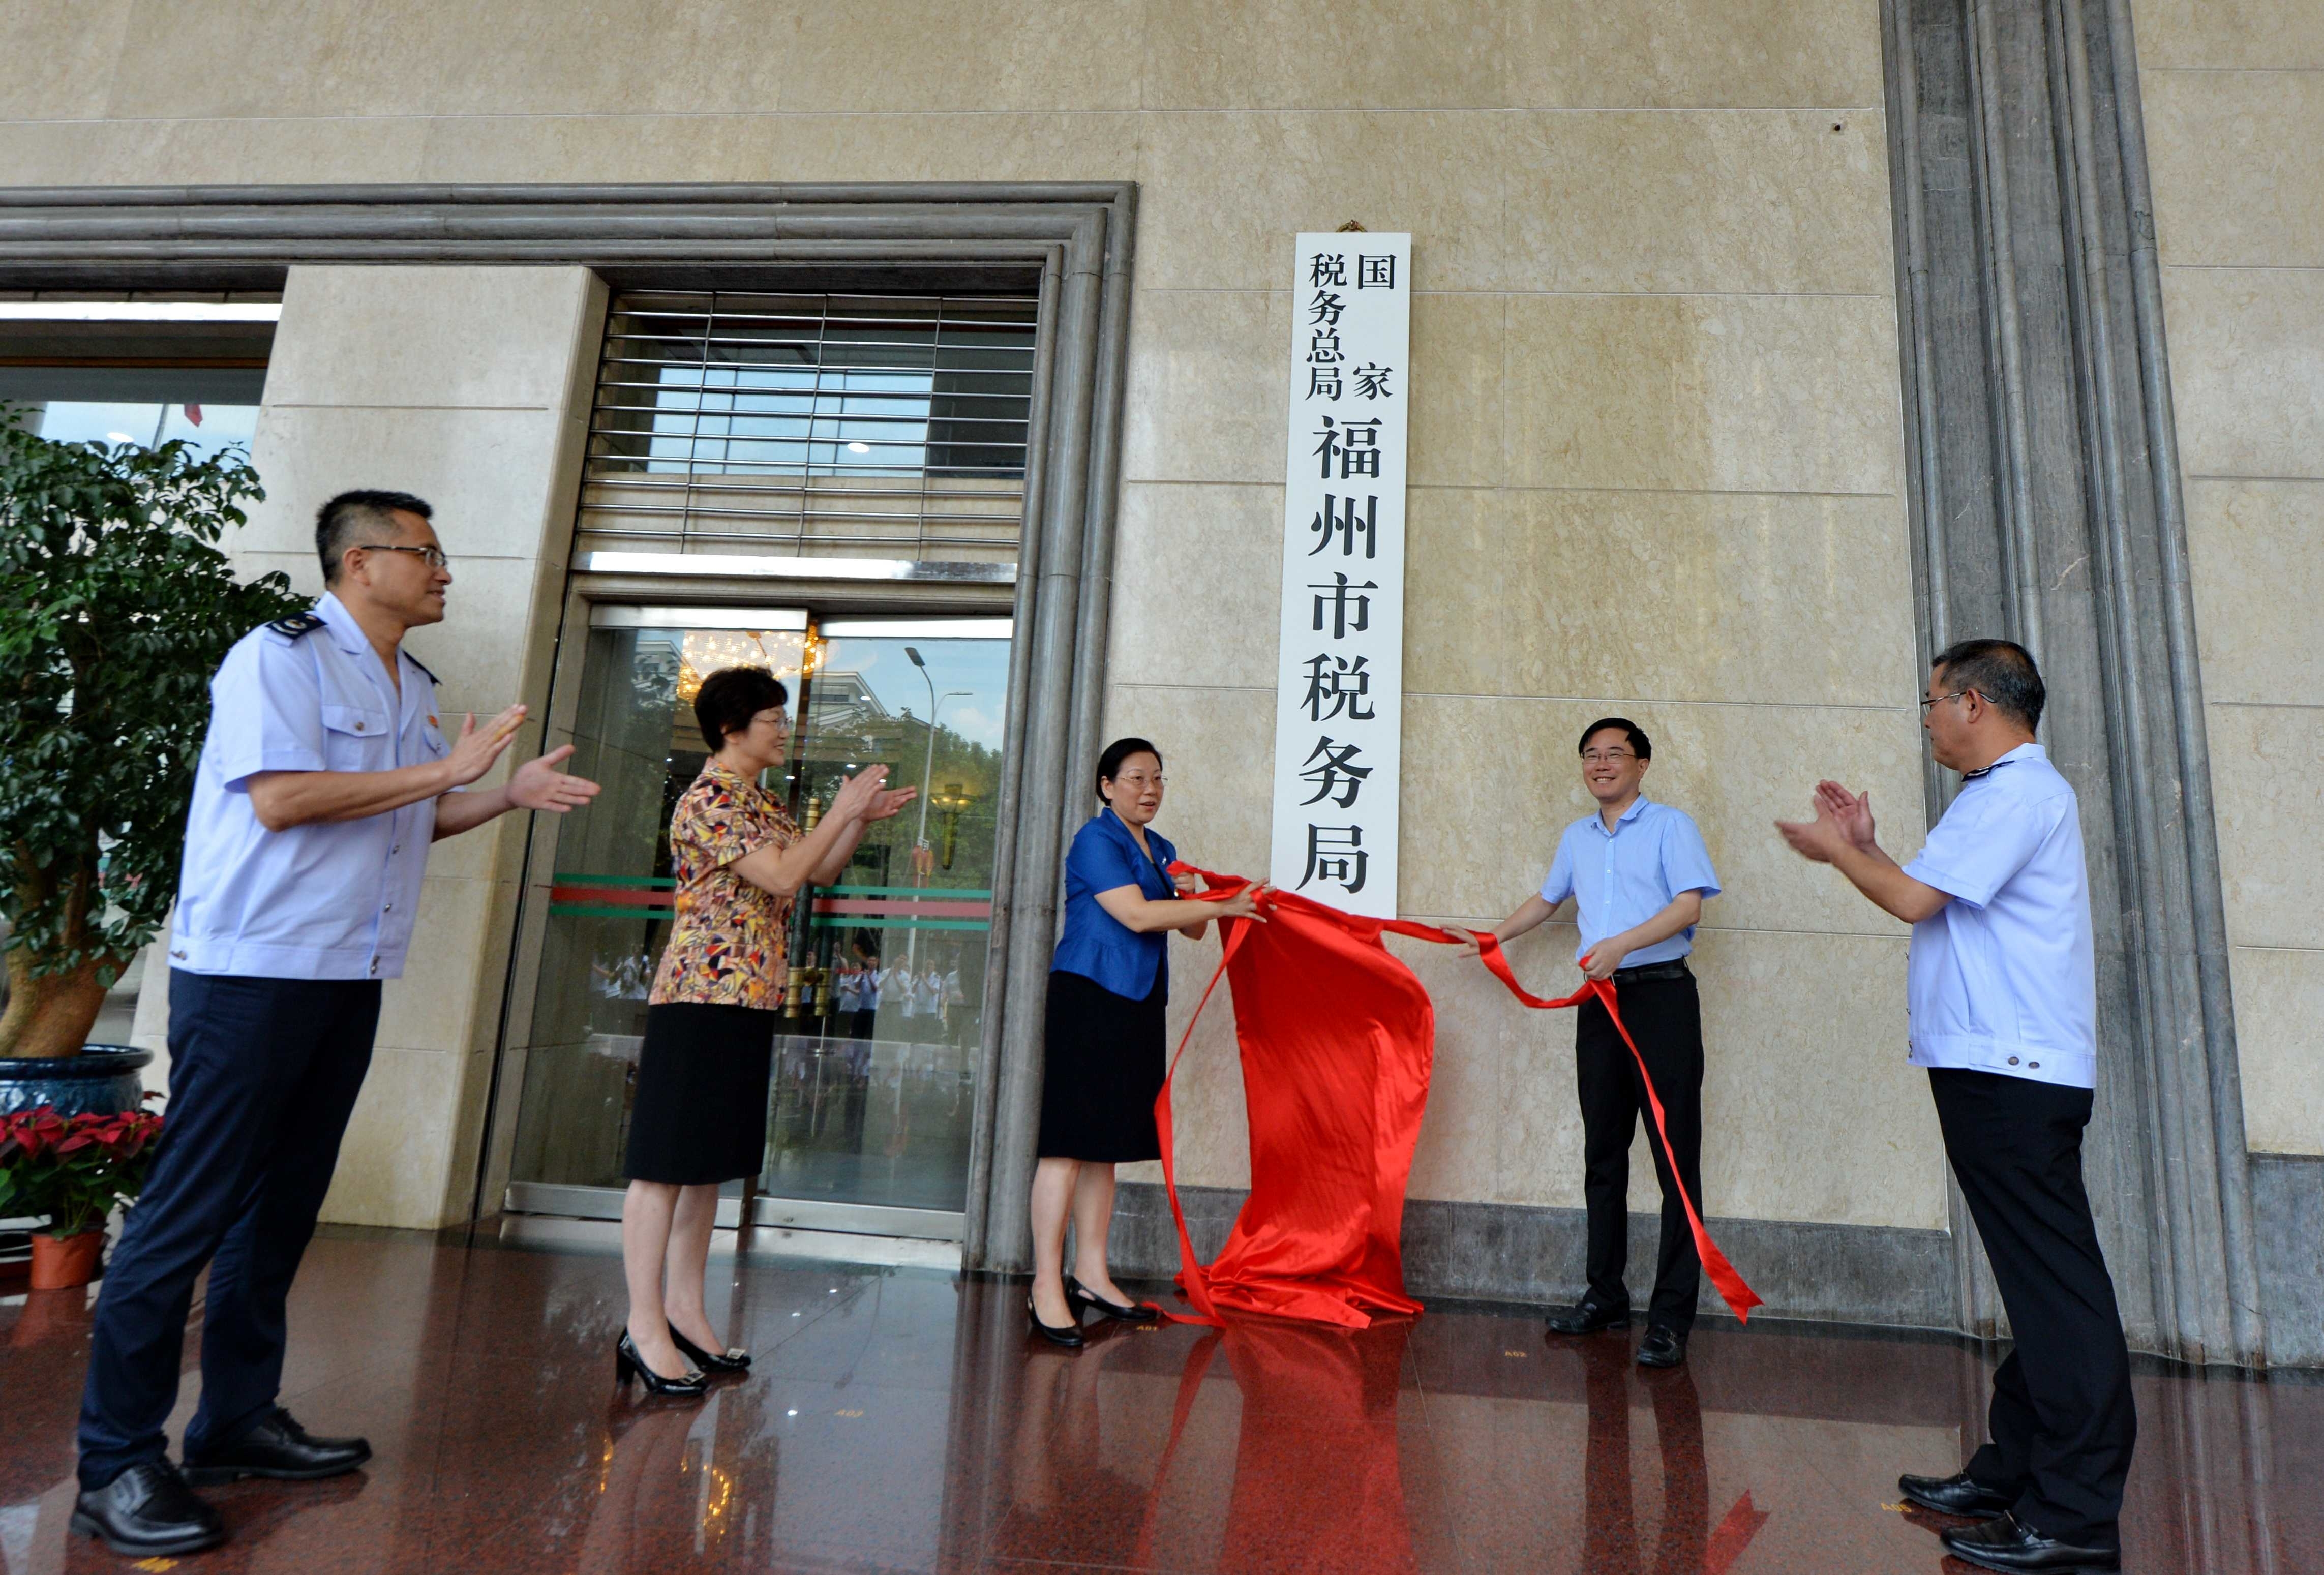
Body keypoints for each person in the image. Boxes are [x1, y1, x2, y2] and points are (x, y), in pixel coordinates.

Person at [71, 491, 602, 1559]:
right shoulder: (281, 659)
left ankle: (233, 1422)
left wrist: (496, 796)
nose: (445, 569)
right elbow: (279, 799)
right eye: (427, 553)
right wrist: (446, 770)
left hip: (345, 971)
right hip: (252, 971)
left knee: (279, 1212)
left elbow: (407, 808)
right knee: (187, 1212)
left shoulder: (409, 679)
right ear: (362, 561)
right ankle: (115, 1461)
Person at [1776, 639, 2133, 1573]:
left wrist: (1837, 856)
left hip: (2011, 1074)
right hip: (1995, 1070)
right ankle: (2013, 1471)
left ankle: (2074, 1517)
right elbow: (1931, 892)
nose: (1927, 714)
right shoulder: (1997, 795)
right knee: (2036, 1284)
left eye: (1932, 699)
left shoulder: (2016, 792)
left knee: (2058, 1295)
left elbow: (1909, 901)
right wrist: (1863, 845)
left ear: (1974, 702)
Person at [617, 666, 913, 1396]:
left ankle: (685, 1310)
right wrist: (835, 809)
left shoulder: (760, 799)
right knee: (662, 1163)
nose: (784, 729)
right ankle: (642, 1322)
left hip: (748, 996)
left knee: (707, 1163)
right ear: (731, 729)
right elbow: (783, 876)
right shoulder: (707, 800)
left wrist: (852, 820)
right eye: (773, 719)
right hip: (698, 994)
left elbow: (814, 870)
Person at [1452, 718, 1721, 1369]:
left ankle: (1669, 1317)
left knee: (1672, 1158)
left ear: (1642, 763)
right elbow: (1546, 902)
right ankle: (1604, 1295)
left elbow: (1689, 907)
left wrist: (1621, 944)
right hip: (1598, 1005)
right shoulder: (1576, 836)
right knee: (1602, 1151)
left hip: (1658, 998)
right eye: (1590, 756)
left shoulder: (1669, 826)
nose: (1601, 764)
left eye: (1614, 754)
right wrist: (1491, 937)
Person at [1028, 737, 1266, 1347]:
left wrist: (1221, 901)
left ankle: (1091, 1274)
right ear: (1106, 785)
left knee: (1104, 1145)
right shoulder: (1095, 840)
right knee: (1066, 1142)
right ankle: (1045, 1285)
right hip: (1088, 997)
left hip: (1135, 1001)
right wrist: (1215, 902)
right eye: (1135, 777)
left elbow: (1186, 928)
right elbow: (1133, 915)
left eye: (1157, 778)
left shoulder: (1159, 849)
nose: (1150, 788)